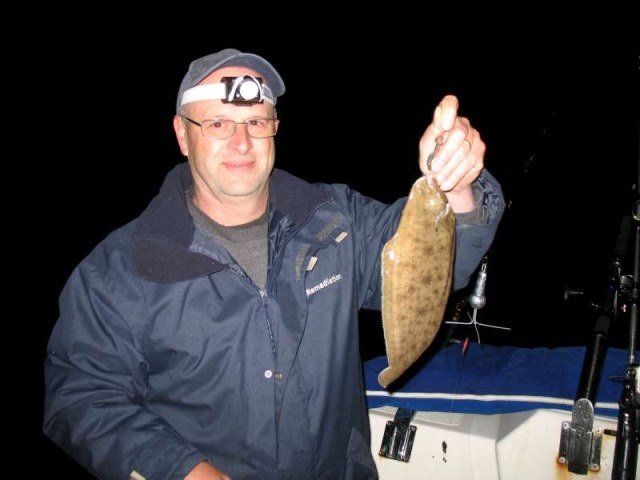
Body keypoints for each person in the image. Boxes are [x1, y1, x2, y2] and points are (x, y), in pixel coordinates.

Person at [43, 48, 504, 480]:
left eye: (256, 122)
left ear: (275, 128)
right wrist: (182, 470)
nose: (242, 141)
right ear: (182, 135)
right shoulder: (122, 269)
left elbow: (438, 263)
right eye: (219, 124)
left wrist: (453, 184)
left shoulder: (335, 221)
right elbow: (80, 397)